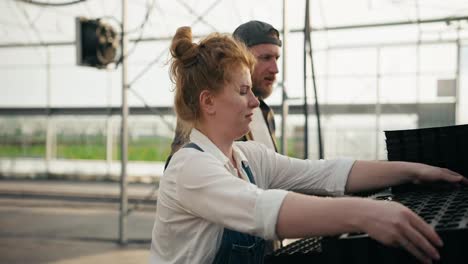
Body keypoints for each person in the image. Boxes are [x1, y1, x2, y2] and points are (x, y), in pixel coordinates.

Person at [150, 26, 467, 264]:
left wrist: (414, 171)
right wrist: (366, 212)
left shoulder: (248, 158)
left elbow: (325, 173)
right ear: (209, 102)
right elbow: (263, 209)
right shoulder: (190, 167)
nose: (252, 101)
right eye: (243, 90)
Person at [166, 20, 281, 168]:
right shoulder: (202, 114)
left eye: (276, 58)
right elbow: (180, 169)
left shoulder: (266, 113)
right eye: (265, 58)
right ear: (238, 59)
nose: (275, 69)